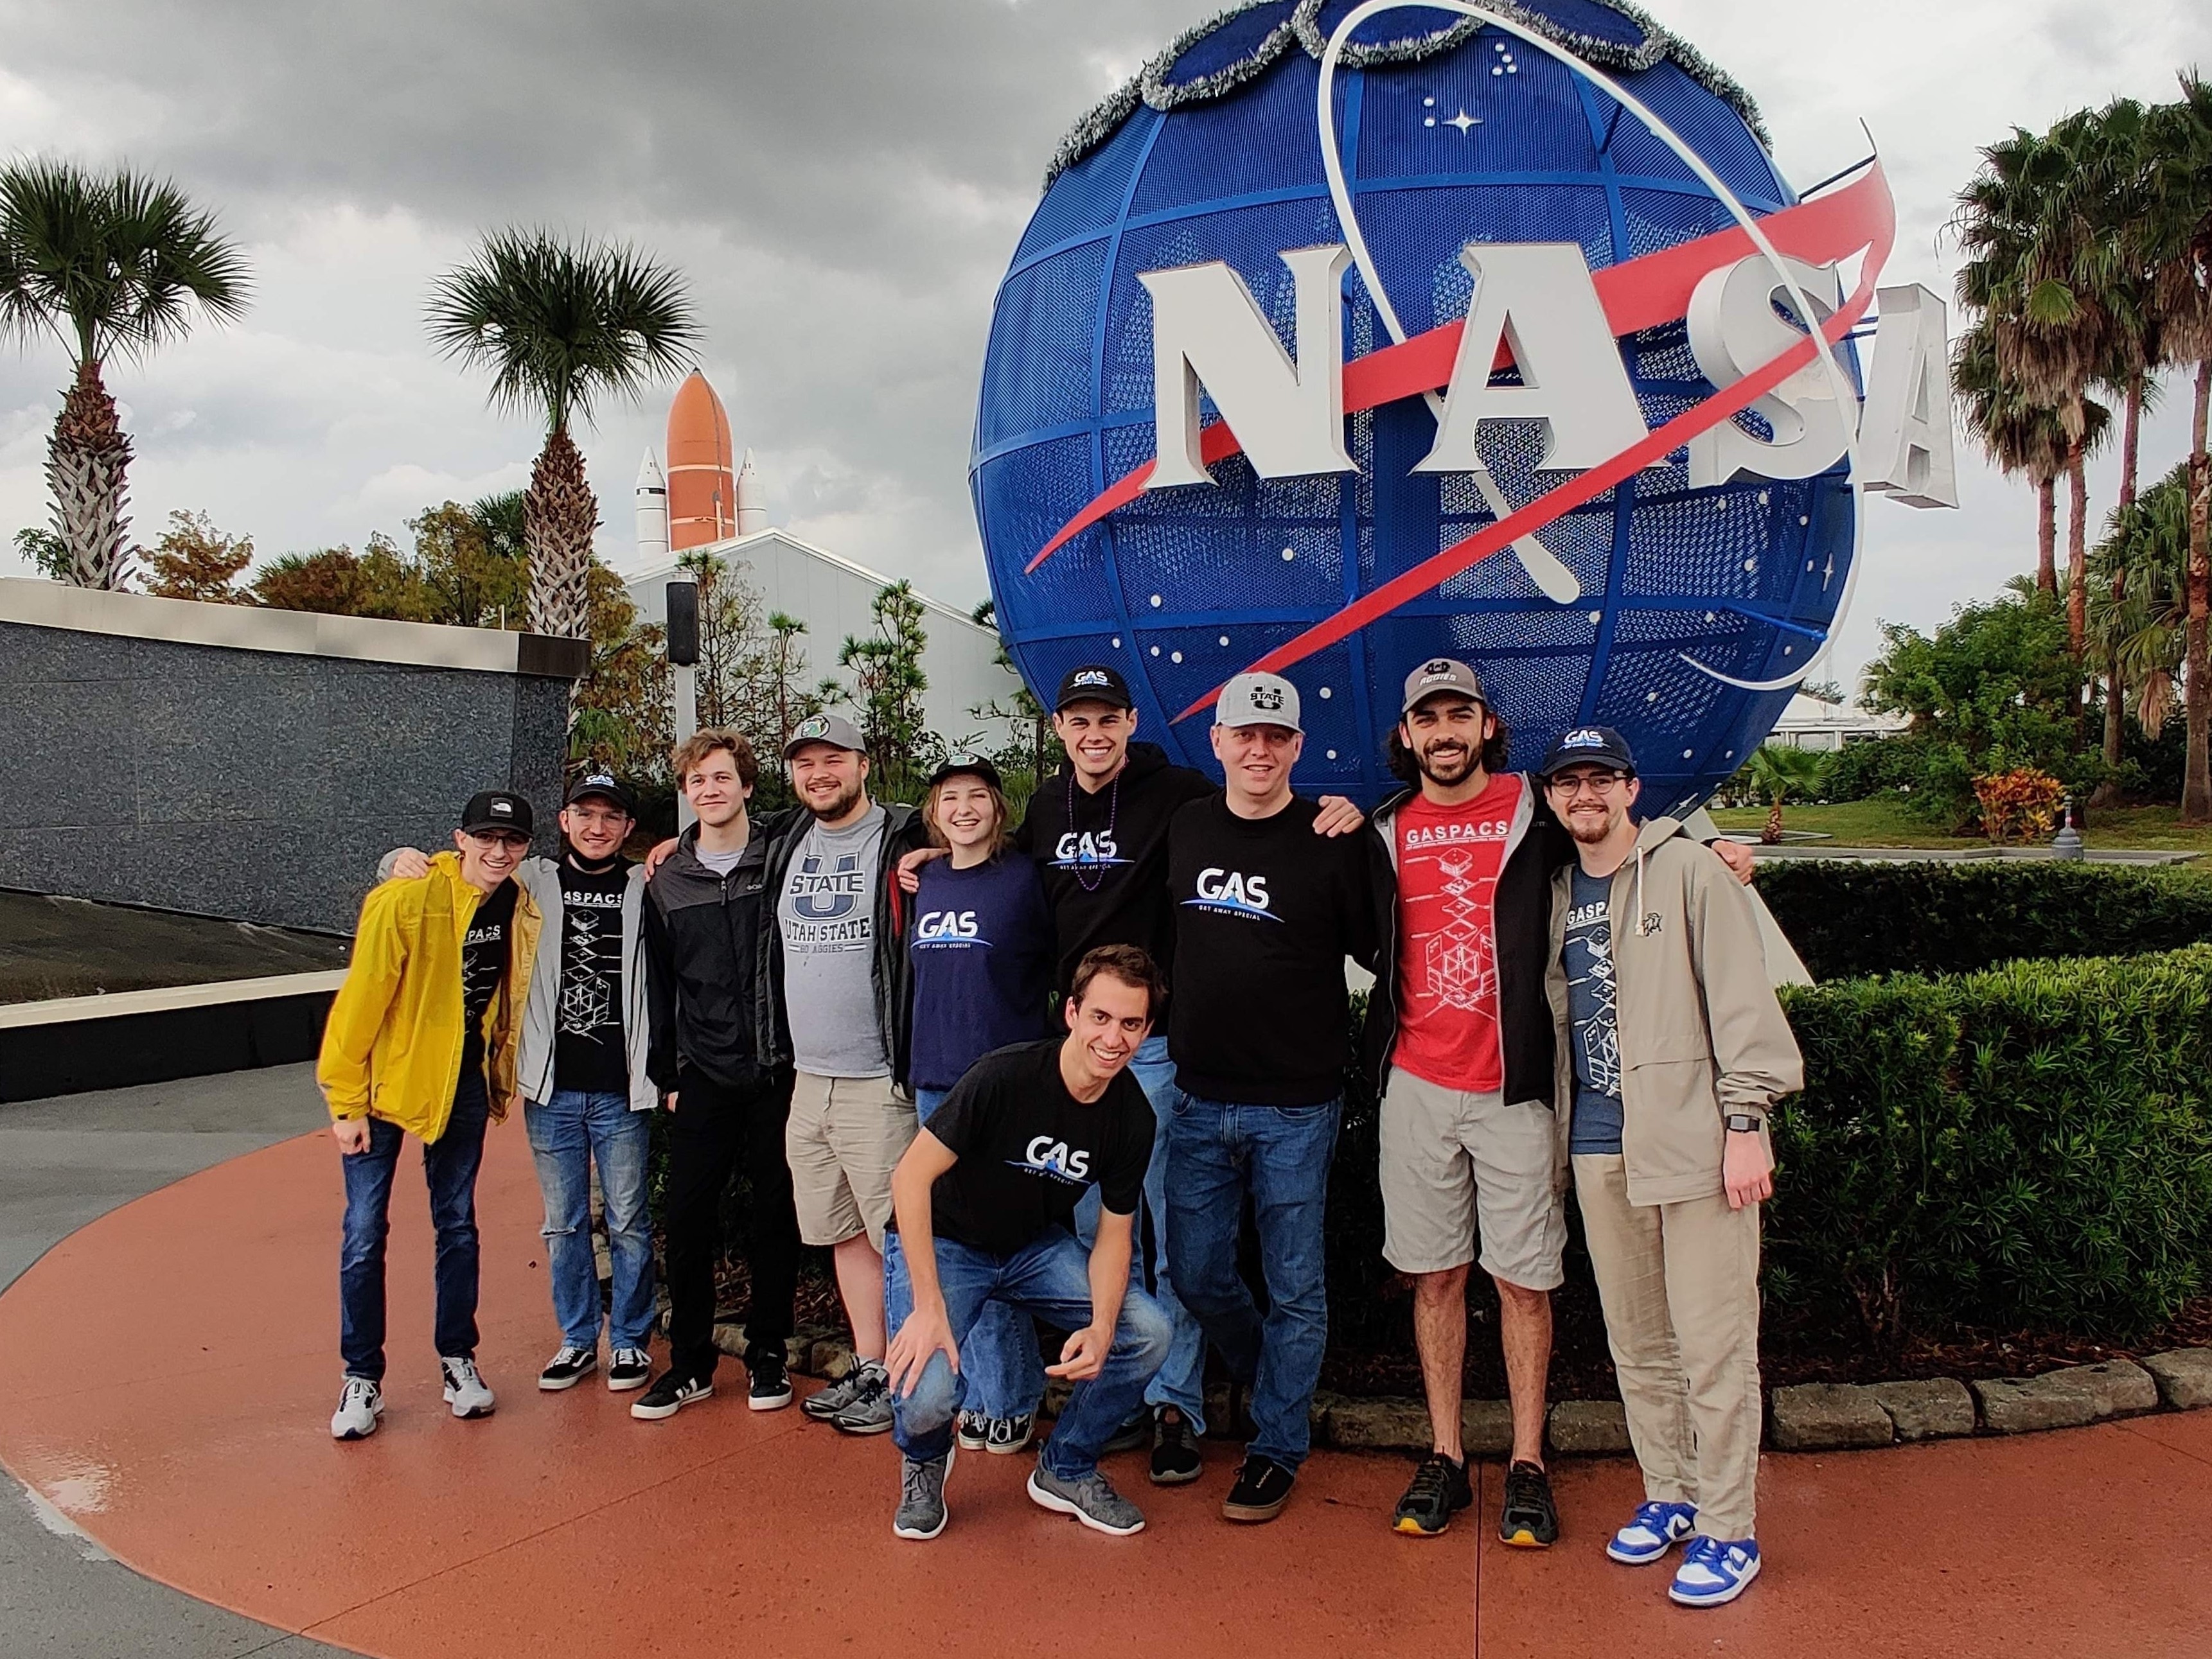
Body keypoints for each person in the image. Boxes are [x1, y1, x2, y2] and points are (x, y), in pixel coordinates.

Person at [899, 663, 1363, 1486]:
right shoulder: (1049, 808)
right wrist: (934, 850)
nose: (1093, 734)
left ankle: (1177, 1405)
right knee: (1105, 1233)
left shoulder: (1174, 796)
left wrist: (1346, 808)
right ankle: (1120, 1388)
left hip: (1155, 1048)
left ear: (1130, 723)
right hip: (1080, 1045)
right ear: (1058, 729)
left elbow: (1265, 801)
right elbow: (992, 855)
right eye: (1077, 720)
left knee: (1166, 1238)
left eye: (1107, 719)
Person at [1363, 659, 1757, 1543]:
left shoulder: (1534, 811)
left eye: (1458, 714)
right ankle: (1444, 1454)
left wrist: (1711, 852)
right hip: (1417, 1082)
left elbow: (1617, 842)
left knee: (1523, 1279)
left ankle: (1527, 1462)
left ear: (1486, 726)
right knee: (1434, 1277)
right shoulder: (1382, 828)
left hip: (1519, 1088)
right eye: (1426, 718)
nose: (1443, 732)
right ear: (1406, 734)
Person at [1539, 725, 1801, 1608]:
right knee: (1638, 1342)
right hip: (1596, 1143)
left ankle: (1730, 1527)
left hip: (1694, 1145)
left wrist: (1744, 1122)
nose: (1584, 794)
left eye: (1599, 779)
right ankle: (1671, 1492)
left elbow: (1741, 1002)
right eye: (1568, 782)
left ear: (1629, 788)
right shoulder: (1554, 890)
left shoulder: (1691, 870)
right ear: (1551, 797)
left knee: (1713, 1345)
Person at [1160, 671, 1388, 1524]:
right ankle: (1268, 1370)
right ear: (1216, 741)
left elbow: (1386, 947)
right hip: (1195, 1097)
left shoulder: (1331, 835)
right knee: (1195, 1273)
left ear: (1297, 746)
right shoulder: (1186, 826)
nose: (1259, 750)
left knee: (1295, 1284)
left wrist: (1368, 823)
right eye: (1244, 735)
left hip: (1296, 1105)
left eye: (1275, 736)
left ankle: (1276, 1443)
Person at [881, 944, 1172, 1541]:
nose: (1113, 1038)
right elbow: (909, 1178)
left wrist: (1102, 1326)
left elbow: (1114, 1236)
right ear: (1071, 1012)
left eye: (1130, 1023)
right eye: (1100, 1017)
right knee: (927, 1392)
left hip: (1031, 1250)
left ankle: (1066, 1467)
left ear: (1145, 1031)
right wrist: (929, 1306)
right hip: (947, 1243)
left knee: (1146, 1331)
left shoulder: (1132, 1118)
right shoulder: (1005, 1076)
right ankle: (926, 1458)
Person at [382, 772, 659, 1396]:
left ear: (627, 829)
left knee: (629, 1221)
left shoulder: (647, 885)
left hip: (623, 1089)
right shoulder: (531, 879)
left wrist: (672, 847)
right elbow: (462, 869)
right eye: (584, 814)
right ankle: (578, 1338)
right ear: (563, 822)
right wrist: (395, 860)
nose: (596, 827)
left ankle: (630, 1340)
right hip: (551, 1088)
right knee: (562, 1224)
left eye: (610, 817)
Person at [319, 789, 541, 1440]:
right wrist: (346, 1102)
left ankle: (457, 1359)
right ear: (460, 839)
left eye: (512, 841)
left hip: (461, 1084)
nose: (498, 851)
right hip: (385, 1088)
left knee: (458, 1224)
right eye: (485, 838)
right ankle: (361, 1376)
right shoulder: (406, 899)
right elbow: (359, 1001)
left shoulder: (519, 902)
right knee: (365, 1232)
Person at [635, 730, 804, 1420]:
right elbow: (660, 982)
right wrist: (668, 1074)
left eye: (722, 777)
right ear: (685, 792)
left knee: (776, 1217)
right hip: (702, 1072)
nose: (710, 789)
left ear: (746, 787)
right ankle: (691, 1364)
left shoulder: (784, 855)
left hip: (778, 1067)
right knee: (687, 1219)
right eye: (698, 780)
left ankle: (767, 1353)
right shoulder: (668, 879)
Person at [770, 713, 931, 1435]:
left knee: (898, 1238)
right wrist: (669, 846)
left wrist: (937, 853)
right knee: (845, 1234)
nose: (819, 774)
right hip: (808, 1079)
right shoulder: (785, 839)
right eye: (806, 762)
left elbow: (986, 842)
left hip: (877, 1078)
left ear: (863, 765)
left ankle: (912, 1383)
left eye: (833, 759)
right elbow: (715, 837)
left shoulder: (903, 834)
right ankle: (871, 1366)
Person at [904, 752, 1054, 1455]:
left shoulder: (1024, 879)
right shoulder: (923, 879)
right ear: (933, 813)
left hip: (1003, 1087)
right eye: (949, 798)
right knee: (953, 1245)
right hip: (934, 1083)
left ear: (998, 806)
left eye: (976, 796)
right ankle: (972, 1389)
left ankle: (1013, 1395)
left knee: (1002, 1240)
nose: (963, 809)